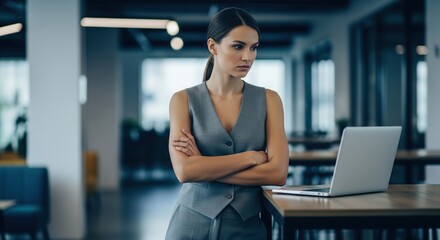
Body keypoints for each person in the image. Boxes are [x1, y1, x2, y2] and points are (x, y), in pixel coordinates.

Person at [165, 7, 289, 240]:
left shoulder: (269, 100)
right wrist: (250, 158)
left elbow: (278, 173)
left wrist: (203, 165)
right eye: (238, 46)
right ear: (213, 46)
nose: (248, 57)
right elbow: (184, 171)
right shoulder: (182, 100)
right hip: (190, 225)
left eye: (254, 48)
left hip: (248, 227)